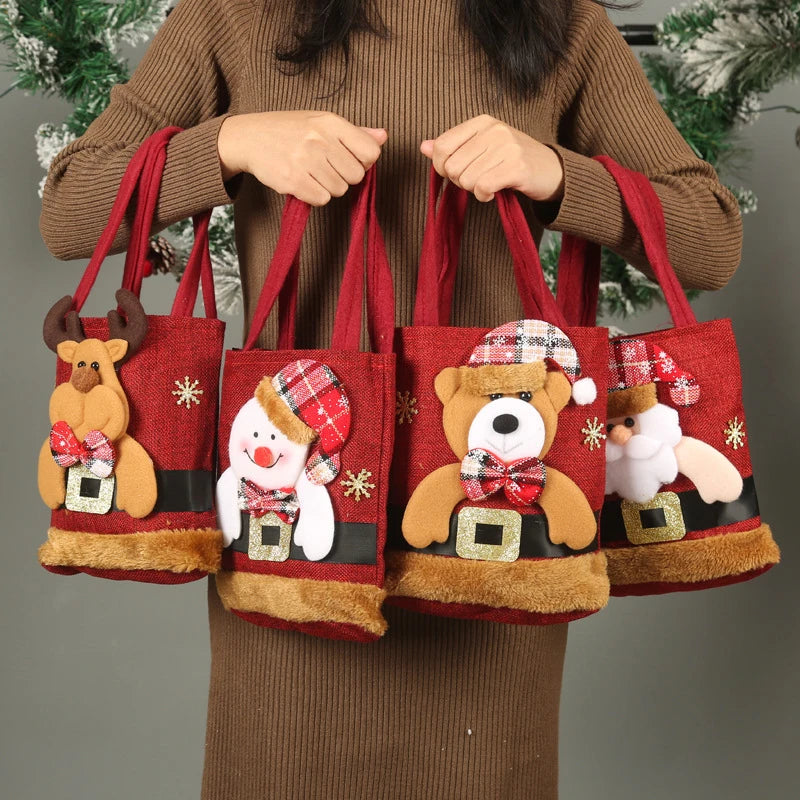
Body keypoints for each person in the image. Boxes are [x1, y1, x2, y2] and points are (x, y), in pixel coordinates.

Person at [38, 1, 742, 797]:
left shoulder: (563, 24)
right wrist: (232, 143)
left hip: (497, 552)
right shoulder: (230, 14)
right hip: (295, 531)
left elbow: (710, 238)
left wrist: (555, 174)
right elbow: (69, 208)